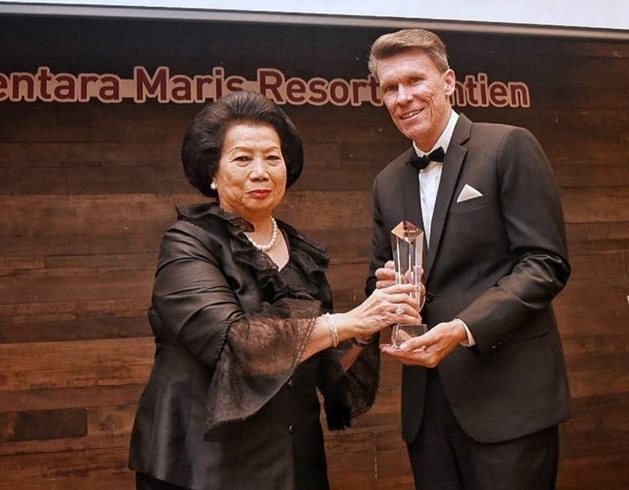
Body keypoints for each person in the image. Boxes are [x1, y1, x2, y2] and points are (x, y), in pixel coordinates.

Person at [129, 90, 420, 490]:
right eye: (243, 158)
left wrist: (369, 323)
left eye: (272, 157)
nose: (261, 171)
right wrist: (349, 321)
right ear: (212, 172)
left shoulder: (302, 254)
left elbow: (326, 365)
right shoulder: (188, 242)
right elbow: (236, 342)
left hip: (295, 462)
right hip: (204, 465)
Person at [365, 29, 571, 489]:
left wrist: (462, 330)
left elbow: (545, 262)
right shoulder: (386, 182)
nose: (403, 97)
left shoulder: (507, 146)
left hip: (508, 402)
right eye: (390, 88)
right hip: (427, 410)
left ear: (449, 81)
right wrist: (386, 292)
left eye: (415, 80)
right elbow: (378, 277)